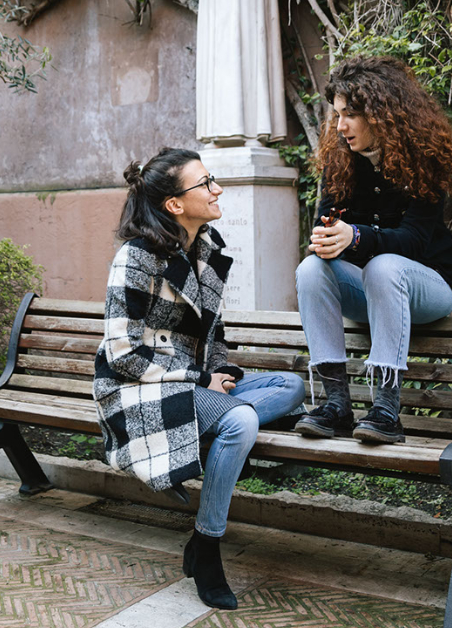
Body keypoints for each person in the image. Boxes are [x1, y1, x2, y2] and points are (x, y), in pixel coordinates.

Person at [93, 147, 305, 610]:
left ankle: (219, 430)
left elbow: (215, 333)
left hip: (192, 383)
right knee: (242, 424)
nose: (217, 189)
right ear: (175, 204)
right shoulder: (136, 257)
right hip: (138, 386)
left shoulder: (205, 248)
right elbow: (122, 352)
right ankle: (206, 544)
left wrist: (219, 370)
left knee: (292, 387)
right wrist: (196, 377)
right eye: (205, 183)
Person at [294, 56, 452, 444]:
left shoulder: (425, 159)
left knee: (385, 265)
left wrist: (355, 237)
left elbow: (414, 243)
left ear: (380, 113)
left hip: (430, 288)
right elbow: (327, 226)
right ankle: (336, 405)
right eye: (336, 115)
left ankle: (386, 409)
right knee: (310, 269)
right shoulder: (339, 162)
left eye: (350, 115)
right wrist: (326, 240)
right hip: (372, 291)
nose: (340, 127)